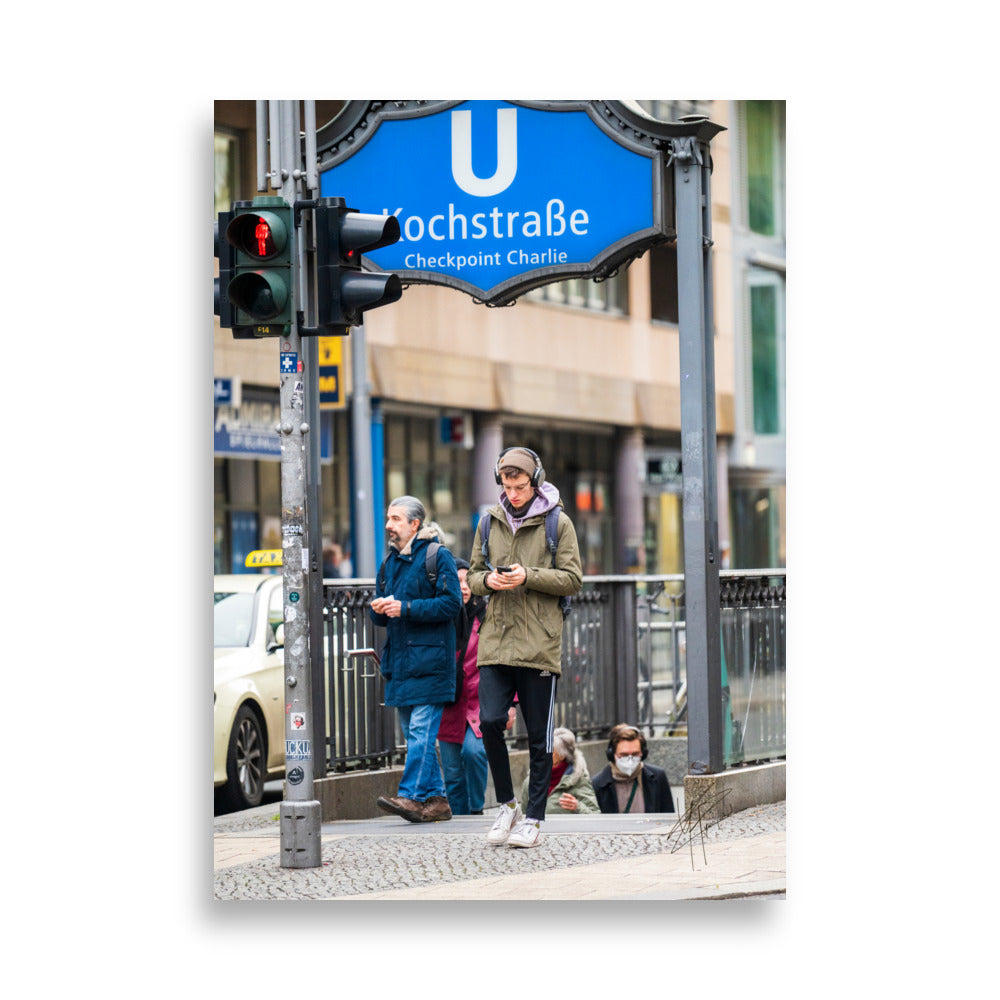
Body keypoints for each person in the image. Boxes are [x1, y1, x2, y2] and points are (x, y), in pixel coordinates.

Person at [468, 446, 583, 848]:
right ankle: (507, 805)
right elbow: (474, 575)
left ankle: (534, 817)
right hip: (496, 641)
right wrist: (489, 582)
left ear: (535, 482)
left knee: (538, 737)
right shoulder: (488, 522)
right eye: (507, 485)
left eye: (520, 486)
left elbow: (572, 579)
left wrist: (527, 576)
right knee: (489, 722)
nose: (513, 493)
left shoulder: (558, 523)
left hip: (538, 645)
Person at [371, 496, 462, 823]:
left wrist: (405, 608)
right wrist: (378, 608)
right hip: (402, 664)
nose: (388, 525)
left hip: (432, 664)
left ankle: (410, 796)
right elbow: (382, 618)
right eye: (388, 518)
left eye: (395, 519)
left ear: (414, 524)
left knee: (421, 734)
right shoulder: (389, 563)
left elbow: (452, 605)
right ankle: (437, 801)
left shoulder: (439, 557)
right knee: (415, 737)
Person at [436, 559, 492, 815]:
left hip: (480, 703)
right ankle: (460, 821)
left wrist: (512, 704)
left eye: (468, 580)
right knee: (453, 774)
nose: (464, 587)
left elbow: (505, 661)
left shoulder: (488, 617)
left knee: (474, 752)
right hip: (449, 703)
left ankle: (476, 808)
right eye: (457, 582)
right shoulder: (442, 619)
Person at [591, 723, 676, 814]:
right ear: (612, 754)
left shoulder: (657, 777)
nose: (630, 760)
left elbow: (668, 818)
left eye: (635, 754)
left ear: (643, 754)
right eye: (624, 755)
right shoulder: (597, 784)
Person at [519, 726, 598, 815]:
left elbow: (595, 815)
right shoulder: (530, 782)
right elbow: (523, 816)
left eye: (550, 750)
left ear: (562, 755)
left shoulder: (578, 779)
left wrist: (578, 807)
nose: (545, 753)